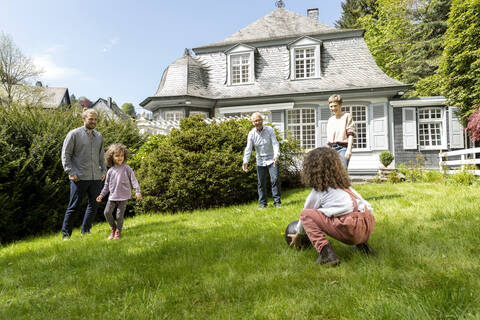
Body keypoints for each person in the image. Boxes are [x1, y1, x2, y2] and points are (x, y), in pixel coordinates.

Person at [288, 147, 375, 266]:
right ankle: (364, 247)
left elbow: (305, 217)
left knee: (306, 214)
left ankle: (327, 254)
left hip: (351, 230)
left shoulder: (319, 192)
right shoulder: (347, 188)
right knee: (354, 212)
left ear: (311, 170)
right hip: (367, 226)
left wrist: (298, 234)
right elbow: (366, 207)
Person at [61, 108, 106, 239]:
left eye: (95, 119)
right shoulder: (74, 134)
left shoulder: (99, 136)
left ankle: (86, 231)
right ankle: (66, 235)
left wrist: (103, 171)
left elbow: (101, 156)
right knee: (73, 207)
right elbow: (66, 154)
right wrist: (71, 171)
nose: (93, 121)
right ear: (84, 119)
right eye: (91, 119)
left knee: (94, 205)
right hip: (78, 177)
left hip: (96, 177)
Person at [96, 143, 142, 240]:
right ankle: (113, 228)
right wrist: (101, 195)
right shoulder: (110, 171)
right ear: (111, 157)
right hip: (112, 196)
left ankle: (118, 232)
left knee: (119, 215)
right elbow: (107, 185)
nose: (119, 158)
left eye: (121, 156)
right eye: (117, 156)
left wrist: (137, 191)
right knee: (107, 212)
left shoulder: (127, 168)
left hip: (124, 196)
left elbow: (134, 180)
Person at [242, 112, 281, 209]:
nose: (257, 122)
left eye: (259, 120)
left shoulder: (269, 130)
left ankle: (277, 202)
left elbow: (275, 143)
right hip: (260, 161)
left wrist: (276, 156)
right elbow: (248, 148)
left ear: (262, 121)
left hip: (272, 159)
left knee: (275, 179)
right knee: (261, 183)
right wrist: (245, 161)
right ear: (252, 123)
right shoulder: (251, 134)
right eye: (255, 121)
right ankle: (263, 203)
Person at [327, 94, 356, 168]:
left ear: (340, 105)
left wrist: (349, 150)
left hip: (343, 148)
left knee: (342, 172)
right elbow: (329, 139)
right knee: (331, 173)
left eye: (335, 105)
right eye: (331, 106)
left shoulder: (347, 116)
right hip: (332, 149)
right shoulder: (330, 120)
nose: (333, 108)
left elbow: (350, 134)